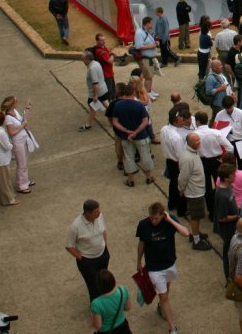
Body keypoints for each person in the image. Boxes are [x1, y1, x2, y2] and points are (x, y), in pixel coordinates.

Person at [136, 201, 189, 334]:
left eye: (156, 218)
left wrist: (170, 220)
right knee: (164, 296)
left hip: (170, 264)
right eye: (151, 218)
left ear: (162, 215)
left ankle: (160, 306)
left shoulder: (169, 221)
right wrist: (138, 261)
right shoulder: (143, 225)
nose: (153, 221)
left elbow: (186, 233)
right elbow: (141, 244)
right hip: (154, 268)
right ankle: (172, 327)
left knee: (166, 289)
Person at [110, 82, 154, 187]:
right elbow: (145, 121)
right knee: (145, 156)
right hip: (141, 136)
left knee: (129, 157)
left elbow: (115, 122)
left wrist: (126, 131)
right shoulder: (139, 105)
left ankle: (131, 180)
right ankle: (148, 177)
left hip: (125, 137)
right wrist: (135, 132)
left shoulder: (118, 105)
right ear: (133, 92)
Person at [66, 199, 110, 302]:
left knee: (103, 280)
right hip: (88, 261)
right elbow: (69, 246)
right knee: (93, 286)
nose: (99, 213)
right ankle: (97, 309)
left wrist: (104, 245)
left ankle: (105, 300)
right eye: (96, 212)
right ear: (87, 213)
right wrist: (82, 258)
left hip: (103, 255)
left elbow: (103, 230)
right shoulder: (75, 226)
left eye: (99, 210)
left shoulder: (99, 216)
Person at [178, 132, 212, 251]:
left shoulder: (193, 152)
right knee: (195, 217)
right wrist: (181, 189)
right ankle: (196, 240)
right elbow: (183, 177)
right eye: (196, 141)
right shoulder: (188, 158)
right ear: (190, 143)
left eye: (199, 140)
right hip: (194, 192)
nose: (199, 142)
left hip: (198, 190)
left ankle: (196, 232)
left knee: (197, 215)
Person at [1, 95, 34, 194]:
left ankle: (25, 181)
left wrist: (27, 108)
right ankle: (21, 185)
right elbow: (11, 133)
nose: (17, 102)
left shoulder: (15, 112)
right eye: (16, 101)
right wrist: (22, 126)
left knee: (25, 161)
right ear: (12, 104)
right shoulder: (7, 118)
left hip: (23, 138)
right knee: (21, 164)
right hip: (17, 142)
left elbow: (23, 119)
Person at [215, 163, 241, 279]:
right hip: (227, 230)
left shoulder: (229, 187)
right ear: (226, 178)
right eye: (233, 175)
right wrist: (236, 217)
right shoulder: (222, 195)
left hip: (233, 227)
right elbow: (221, 218)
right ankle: (229, 278)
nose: (235, 176)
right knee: (228, 254)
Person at [89, 269, 131, 334]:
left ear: (98, 285)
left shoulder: (96, 303)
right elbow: (127, 308)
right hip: (123, 327)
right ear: (113, 280)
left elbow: (98, 326)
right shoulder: (122, 290)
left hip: (106, 331)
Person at [133, 16, 159, 99]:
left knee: (150, 75)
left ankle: (149, 91)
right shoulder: (139, 33)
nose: (152, 25)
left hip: (149, 58)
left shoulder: (146, 31)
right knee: (148, 77)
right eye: (151, 23)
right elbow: (138, 46)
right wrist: (152, 46)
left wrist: (154, 44)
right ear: (147, 23)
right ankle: (147, 94)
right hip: (144, 59)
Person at [82, 50, 108, 132]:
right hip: (103, 88)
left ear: (88, 59)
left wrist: (95, 96)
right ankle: (117, 115)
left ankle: (88, 124)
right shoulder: (96, 63)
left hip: (96, 91)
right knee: (106, 103)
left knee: (92, 105)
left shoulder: (92, 68)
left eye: (83, 59)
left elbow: (95, 83)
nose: (82, 61)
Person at [197, 16, 213, 80]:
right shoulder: (207, 37)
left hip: (200, 52)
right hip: (205, 53)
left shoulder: (201, 35)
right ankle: (202, 80)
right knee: (205, 67)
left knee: (201, 66)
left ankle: (200, 76)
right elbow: (211, 44)